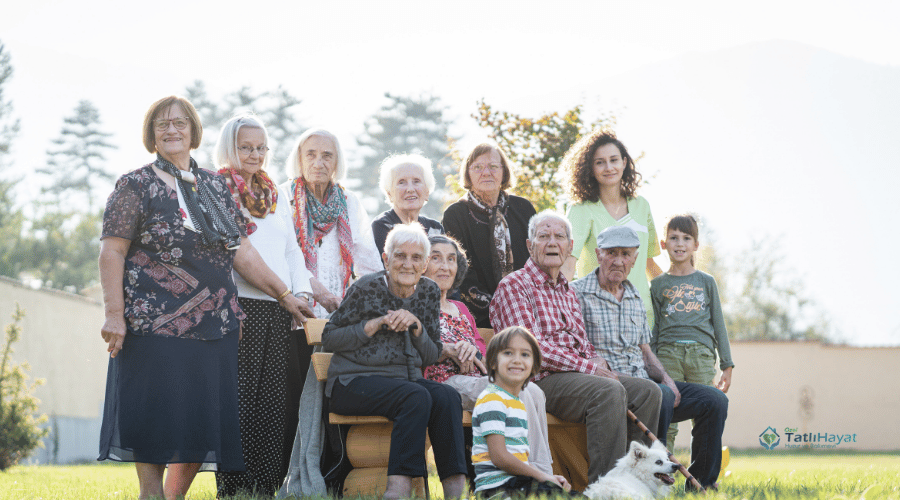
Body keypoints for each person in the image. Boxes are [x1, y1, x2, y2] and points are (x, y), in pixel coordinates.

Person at [98, 96, 310, 500]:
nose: (171, 130)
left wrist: (284, 294)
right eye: (162, 124)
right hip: (153, 322)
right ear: (151, 134)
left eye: (179, 123)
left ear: (194, 130)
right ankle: (151, 494)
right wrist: (114, 315)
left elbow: (241, 251)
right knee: (156, 415)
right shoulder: (135, 184)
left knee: (200, 418)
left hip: (214, 325)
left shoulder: (213, 185)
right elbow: (112, 251)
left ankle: (174, 496)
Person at [489, 210, 661, 484]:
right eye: (543, 236)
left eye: (559, 237)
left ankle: (635, 482)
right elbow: (529, 351)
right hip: (537, 381)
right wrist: (588, 366)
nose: (552, 243)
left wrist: (595, 361)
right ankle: (606, 489)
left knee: (648, 391)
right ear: (529, 245)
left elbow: (582, 343)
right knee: (608, 391)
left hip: (576, 379)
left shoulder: (567, 291)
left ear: (570, 247)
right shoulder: (515, 285)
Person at [572, 225, 728, 491]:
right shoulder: (576, 293)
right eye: (611, 253)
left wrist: (667, 378)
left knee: (714, 400)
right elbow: (577, 346)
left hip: (647, 382)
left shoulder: (634, 296)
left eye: (625, 254)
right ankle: (652, 483)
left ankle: (702, 484)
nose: (618, 260)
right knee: (660, 395)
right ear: (598, 254)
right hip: (612, 388)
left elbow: (645, 351)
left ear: (634, 259)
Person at [322, 224, 467, 500]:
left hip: (402, 383)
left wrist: (416, 327)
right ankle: (398, 491)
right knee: (415, 396)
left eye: (416, 258)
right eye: (400, 256)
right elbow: (330, 337)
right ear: (386, 259)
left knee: (448, 396)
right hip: (351, 383)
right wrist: (373, 325)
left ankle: (454, 493)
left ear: (425, 264)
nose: (407, 264)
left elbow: (431, 355)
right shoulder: (365, 288)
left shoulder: (428, 292)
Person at [212, 114, 316, 497]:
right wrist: (284, 294)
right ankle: (234, 486)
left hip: (279, 307)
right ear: (229, 147)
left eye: (260, 147)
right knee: (240, 400)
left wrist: (301, 293)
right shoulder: (218, 188)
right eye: (245, 147)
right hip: (240, 306)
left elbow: (292, 249)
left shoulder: (275, 192)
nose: (254, 154)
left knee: (274, 401)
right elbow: (237, 253)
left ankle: (267, 484)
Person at [422, 234, 553, 476]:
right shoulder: (416, 306)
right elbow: (415, 349)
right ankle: (528, 475)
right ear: (422, 264)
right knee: (516, 392)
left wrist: (473, 352)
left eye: (451, 259)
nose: (445, 266)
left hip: (475, 380)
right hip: (441, 384)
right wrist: (449, 351)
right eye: (436, 258)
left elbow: (484, 352)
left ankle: (542, 471)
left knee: (534, 390)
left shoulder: (460, 308)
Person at [650, 214, 734, 449]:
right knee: (667, 416)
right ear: (664, 244)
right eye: (674, 238)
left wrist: (727, 364)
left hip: (702, 356)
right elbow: (654, 328)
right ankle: (662, 474)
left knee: (707, 412)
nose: (680, 244)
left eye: (686, 238)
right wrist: (654, 364)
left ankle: (703, 479)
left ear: (696, 245)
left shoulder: (706, 281)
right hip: (668, 356)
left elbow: (719, 323)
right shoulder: (657, 285)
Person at [561, 129, 663, 324]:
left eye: (614, 160)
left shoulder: (642, 206)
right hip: (598, 316)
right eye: (600, 162)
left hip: (642, 316)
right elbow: (568, 264)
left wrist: (679, 289)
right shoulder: (580, 210)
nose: (608, 167)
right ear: (590, 168)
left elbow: (649, 264)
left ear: (624, 163)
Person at [282, 128, 382, 318]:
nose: (318, 163)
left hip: (338, 314)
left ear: (337, 163)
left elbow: (369, 265)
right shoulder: (282, 197)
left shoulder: (349, 202)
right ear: (299, 159)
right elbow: (281, 257)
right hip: (292, 311)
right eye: (310, 155)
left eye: (327, 156)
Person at [443, 143, 537, 328]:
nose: (486, 172)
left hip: (529, 309)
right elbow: (461, 270)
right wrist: (498, 308)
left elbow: (537, 258)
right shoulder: (455, 214)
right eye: (477, 167)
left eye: (493, 166)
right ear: (468, 173)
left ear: (504, 172)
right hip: (480, 316)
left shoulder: (523, 208)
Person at [471, 327, 571, 498]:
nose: (517, 360)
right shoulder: (492, 399)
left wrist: (550, 477)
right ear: (493, 362)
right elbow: (500, 457)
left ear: (534, 366)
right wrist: (542, 476)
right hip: (498, 488)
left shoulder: (516, 403)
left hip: (517, 481)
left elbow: (519, 460)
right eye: (508, 353)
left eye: (525, 355)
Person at [371, 153, 444, 255]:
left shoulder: (435, 228)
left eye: (416, 181)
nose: (410, 189)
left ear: (427, 192)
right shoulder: (382, 226)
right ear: (389, 194)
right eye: (401, 182)